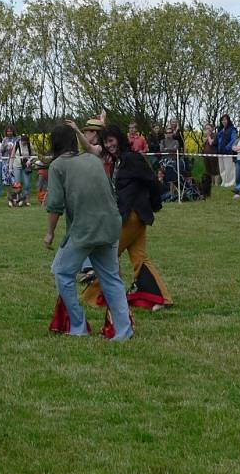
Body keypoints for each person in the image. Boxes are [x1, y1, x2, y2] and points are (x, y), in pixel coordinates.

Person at [44, 123, 133, 341]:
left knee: (62, 272)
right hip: (111, 225)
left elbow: (54, 205)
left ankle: (78, 325)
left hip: (85, 229)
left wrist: (50, 233)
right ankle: (123, 330)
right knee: (111, 277)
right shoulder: (93, 159)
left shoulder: (57, 166)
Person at [82, 126, 173, 312]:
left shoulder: (132, 158)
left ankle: (94, 297)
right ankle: (161, 298)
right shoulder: (118, 162)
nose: (109, 145)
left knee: (107, 256)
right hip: (129, 215)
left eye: (111, 140)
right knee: (140, 258)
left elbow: (151, 181)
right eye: (106, 142)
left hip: (132, 216)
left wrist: (155, 205)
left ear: (120, 139)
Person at [9, 134, 35, 198]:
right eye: (22, 141)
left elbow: (34, 155)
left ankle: (26, 198)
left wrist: (30, 160)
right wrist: (10, 168)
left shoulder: (30, 145)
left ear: (27, 141)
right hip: (16, 165)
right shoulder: (17, 144)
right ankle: (18, 198)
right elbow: (12, 156)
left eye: (25, 141)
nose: (24, 143)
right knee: (17, 183)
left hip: (26, 167)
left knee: (27, 184)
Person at [216, 114, 237, 187]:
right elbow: (218, 139)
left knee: (229, 168)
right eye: (222, 120)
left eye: (225, 119)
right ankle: (224, 182)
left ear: (228, 120)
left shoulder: (232, 129)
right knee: (222, 168)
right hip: (220, 152)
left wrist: (227, 147)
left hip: (228, 152)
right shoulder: (220, 129)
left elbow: (234, 139)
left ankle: (230, 183)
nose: (223, 121)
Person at [1, 124, 18, 188]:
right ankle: (9, 193)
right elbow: (1, 150)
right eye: (8, 131)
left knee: (14, 176)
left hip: (14, 160)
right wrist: (5, 146)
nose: (9, 133)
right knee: (7, 177)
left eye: (10, 131)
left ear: (13, 131)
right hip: (5, 160)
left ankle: (16, 191)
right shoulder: (4, 139)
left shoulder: (17, 138)